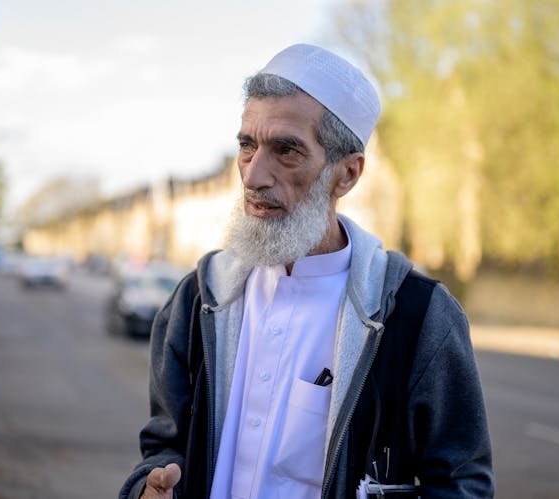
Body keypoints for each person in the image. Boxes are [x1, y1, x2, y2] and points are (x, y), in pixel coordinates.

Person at [119, 44, 494, 499]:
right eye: (247, 146)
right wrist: (149, 488)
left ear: (347, 174)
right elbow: (163, 446)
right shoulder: (200, 299)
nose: (254, 176)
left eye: (286, 151)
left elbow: (461, 484)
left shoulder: (416, 318)